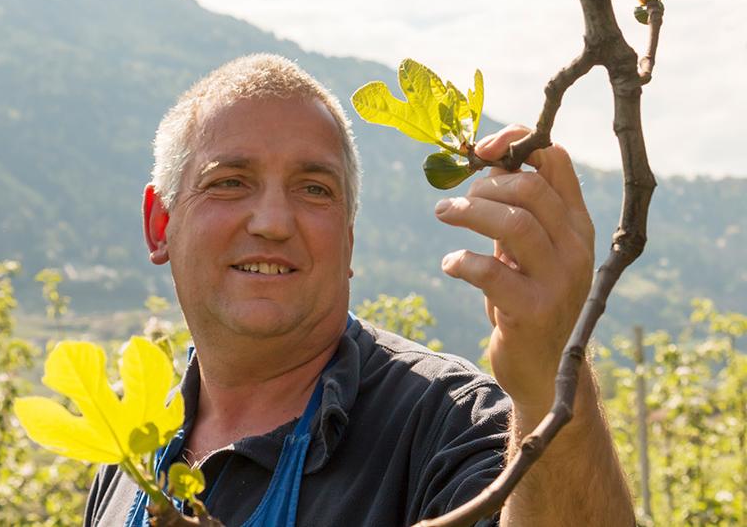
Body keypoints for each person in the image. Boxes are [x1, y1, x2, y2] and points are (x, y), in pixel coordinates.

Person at [84, 54, 633, 526]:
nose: (274, 222)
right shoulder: (130, 446)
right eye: (230, 182)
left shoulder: (449, 425)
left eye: (314, 189)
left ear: (347, 241)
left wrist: (548, 381)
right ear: (161, 225)